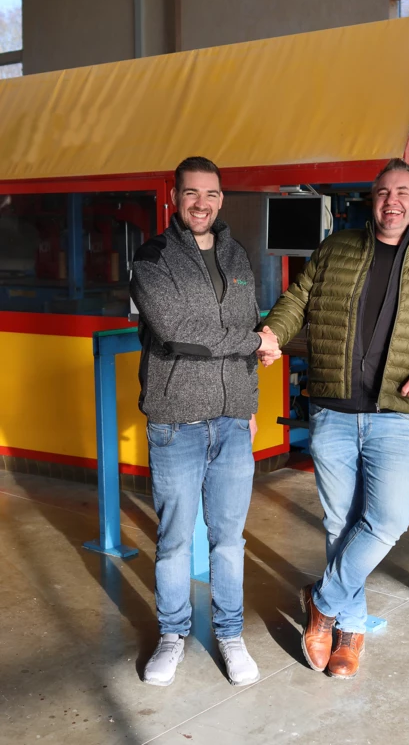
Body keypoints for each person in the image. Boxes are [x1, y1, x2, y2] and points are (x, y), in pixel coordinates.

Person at [262, 158, 409, 680]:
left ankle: (321, 601)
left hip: (397, 416)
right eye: (384, 191)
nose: (393, 200)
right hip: (334, 410)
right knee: (341, 524)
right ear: (373, 199)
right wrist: (273, 332)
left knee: (387, 520)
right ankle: (350, 631)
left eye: (404, 191)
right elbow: (297, 301)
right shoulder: (337, 248)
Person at [130, 156, 281, 687]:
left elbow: (249, 326)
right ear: (175, 197)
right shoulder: (152, 258)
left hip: (232, 424)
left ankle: (230, 635)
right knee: (174, 540)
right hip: (177, 423)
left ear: (221, 198)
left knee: (228, 540)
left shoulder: (238, 255)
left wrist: (249, 407)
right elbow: (178, 333)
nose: (201, 203)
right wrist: (253, 343)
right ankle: (172, 635)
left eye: (211, 194)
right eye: (191, 193)